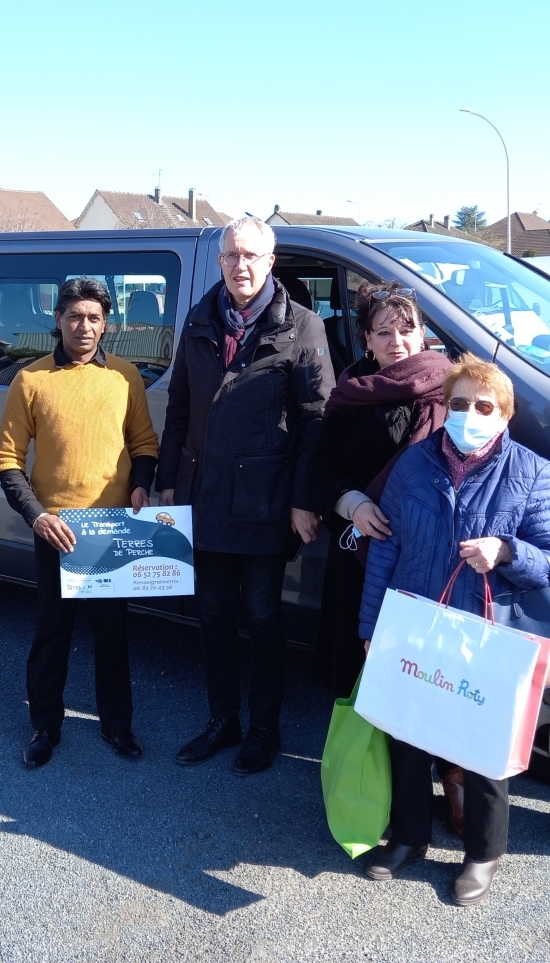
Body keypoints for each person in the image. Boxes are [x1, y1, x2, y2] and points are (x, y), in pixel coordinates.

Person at [359, 359, 550, 905]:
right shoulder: (413, 464)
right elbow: (385, 547)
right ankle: (410, 837)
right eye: (459, 403)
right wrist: (371, 627)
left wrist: (507, 552)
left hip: (485, 635)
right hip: (416, 623)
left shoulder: (530, 472)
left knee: (482, 751)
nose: (470, 415)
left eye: (485, 406)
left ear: (504, 414)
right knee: (407, 735)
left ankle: (482, 855)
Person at [157, 216, 333, 775]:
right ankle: (221, 720)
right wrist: (167, 482)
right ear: (219, 262)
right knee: (211, 613)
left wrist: (305, 499)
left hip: (265, 498)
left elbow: (317, 422)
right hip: (205, 495)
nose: (241, 265)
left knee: (261, 615)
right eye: (231, 256)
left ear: (270, 261)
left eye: (252, 255)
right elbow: (180, 409)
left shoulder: (301, 327)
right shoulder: (200, 319)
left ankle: (264, 729)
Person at [307, 280, 464, 830]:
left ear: (423, 334)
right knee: (365, 676)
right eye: (383, 332)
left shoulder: (451, 390)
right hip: (361, 557)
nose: (396, 342)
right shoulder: (351, 392)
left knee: (423, 676)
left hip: (424, 561)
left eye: (407, 330)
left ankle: (440, 785)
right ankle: (372, 786)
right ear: (366, 340)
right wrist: (351, 504)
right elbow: (322, 466)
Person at [0, 278, 161, 769]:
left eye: (94, 317)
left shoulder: (126, 376)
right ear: (59, 320)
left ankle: (117, 725)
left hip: (111, 529)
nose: (84, 326)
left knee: (113, 634)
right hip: (59, 531)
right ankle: (45, 726)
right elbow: (6, 459)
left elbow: (144, 442)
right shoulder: (32, 379)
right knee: (53, 632)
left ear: (106, 323)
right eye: (74, 317)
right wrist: (37, 515)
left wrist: (142, 484)